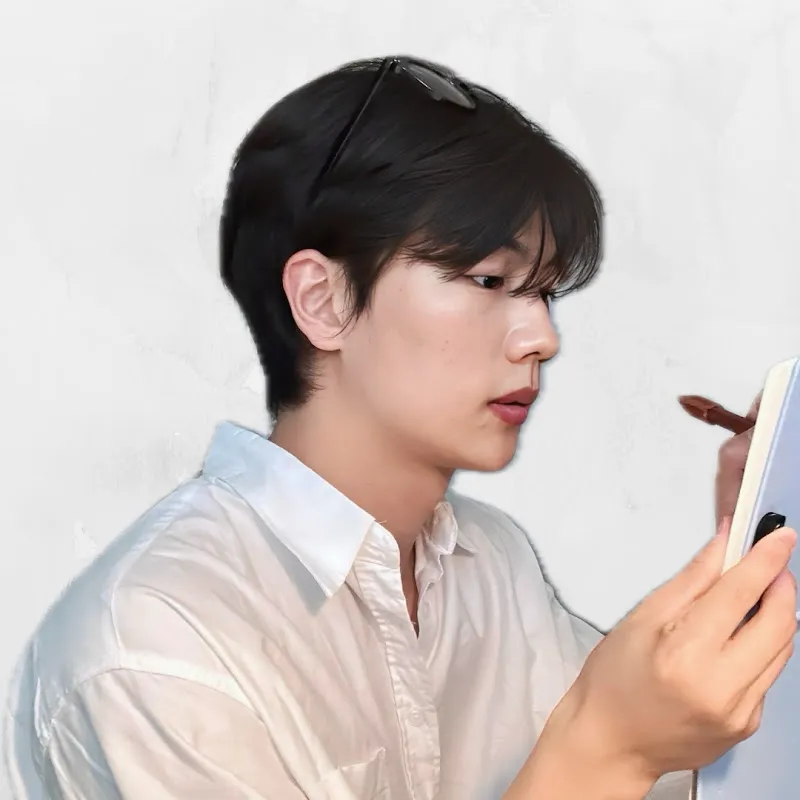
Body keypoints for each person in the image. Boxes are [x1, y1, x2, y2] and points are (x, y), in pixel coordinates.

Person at [4, 55, 796, 800]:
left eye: (545, 292)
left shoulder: (491, 563)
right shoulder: (156, 644)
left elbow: (684, 768)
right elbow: (623, 749)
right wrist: (608, 746)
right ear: (323, 300)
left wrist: (751, 555)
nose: (542, 338)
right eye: (489, 279)